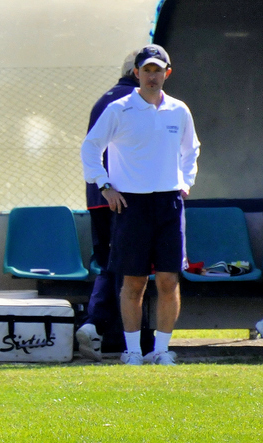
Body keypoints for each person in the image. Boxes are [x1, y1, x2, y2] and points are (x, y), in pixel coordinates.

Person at [81, 44, 200, 366]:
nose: (152, 76)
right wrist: (105, 186)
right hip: (130, 205)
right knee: (133, 281)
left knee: (168, 279)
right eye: (146, 70)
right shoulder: (119, 109)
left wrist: (185, 182)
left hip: (169, 203)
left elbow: (192, 150)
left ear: (167, 73)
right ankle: (132, 351)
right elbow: (91, 148)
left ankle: (161, 350)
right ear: (136, 73)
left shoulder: (179, 110)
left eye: (157, 70)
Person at [76, 51, 139, 362]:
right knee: (124, 263)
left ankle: (100, 327)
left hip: (97, 198)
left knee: (109, 261)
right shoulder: (134, 102)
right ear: (137, 72)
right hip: (121, 195)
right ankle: (102, 325)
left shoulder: (105, 98)